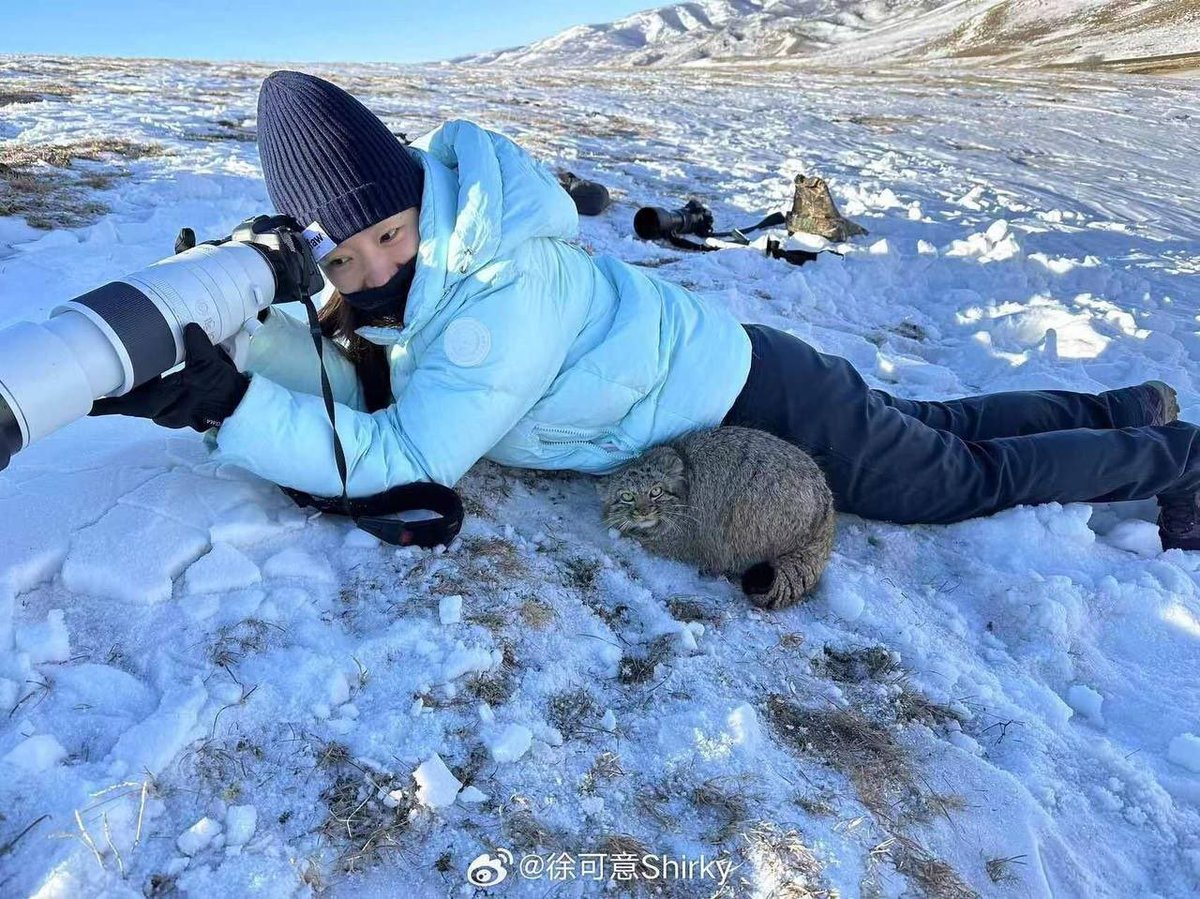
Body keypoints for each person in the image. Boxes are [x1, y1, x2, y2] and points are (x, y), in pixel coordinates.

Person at [90, 70, 1200, 552]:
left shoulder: (495, 289)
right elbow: (362, 368)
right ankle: (1126, 400)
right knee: (940, 428)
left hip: (756, 398)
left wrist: (230, 405)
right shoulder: (444, 260)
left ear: (421, 197)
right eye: (351, 248)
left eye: (392, 230)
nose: (378, 262)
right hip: (740, 367)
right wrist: (251, 332)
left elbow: (406, 453)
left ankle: (1172, 455)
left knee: (956, 484)